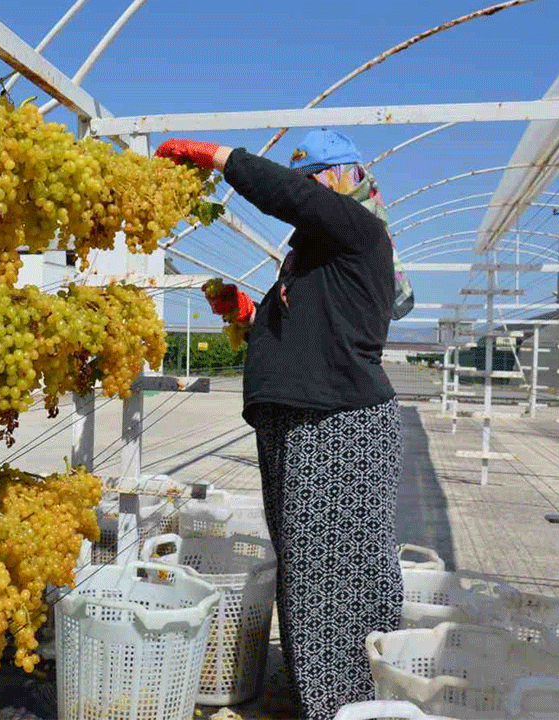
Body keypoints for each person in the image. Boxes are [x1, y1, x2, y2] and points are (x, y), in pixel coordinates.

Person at [156, 129, 410, 719]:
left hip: (340, 427)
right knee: (307, 567)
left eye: (313, 178)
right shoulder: (315, 263)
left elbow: (295, 200)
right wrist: (248, 312)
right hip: (303, 422)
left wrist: (221, 160)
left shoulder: (357, 229)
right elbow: (306, 338)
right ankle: (317, 698)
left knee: (336, 574)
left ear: (342, 179)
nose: (308, 192)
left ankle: (347, 704)